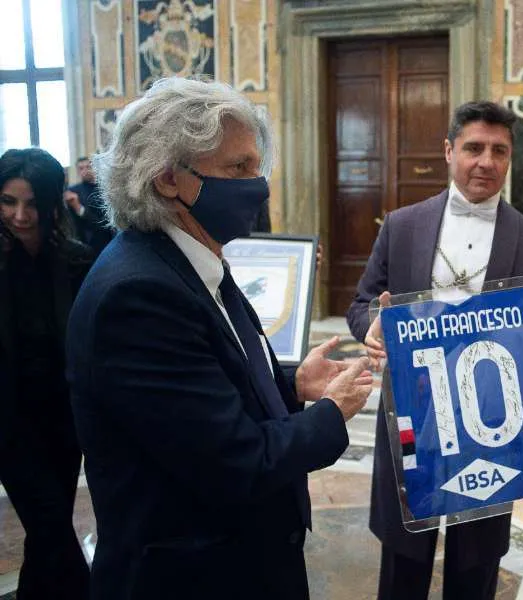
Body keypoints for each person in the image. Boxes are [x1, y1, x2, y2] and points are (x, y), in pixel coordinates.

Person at [66, 77, 373, 600]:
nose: (259, 185)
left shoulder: (188, 259)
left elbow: (205, 383)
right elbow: (238, 462)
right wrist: (331, 413)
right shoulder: (138, 297)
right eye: (237, 169)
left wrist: (289, 384)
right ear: (167, 179)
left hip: (239, 557)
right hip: (193, 576)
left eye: (257, 165)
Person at [347, 101, 523, 600]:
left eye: (499, 151)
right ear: (450, 150)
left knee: (475, 567)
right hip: (414, 416)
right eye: (473, 148)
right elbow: (364, 301)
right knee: (403, 564)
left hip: (492, 426)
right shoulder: (402, 225)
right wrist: (372, 326)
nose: (486, 162)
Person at [0, 148, 93, 600]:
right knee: (51, 523)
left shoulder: (74, 262)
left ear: (53, 203)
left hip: (63, 421)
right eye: (8, 202)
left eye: (32, 203)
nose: (20, 215)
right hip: (9, 424)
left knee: (46, 532)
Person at [63, 156, 115, 255]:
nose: (85, 170)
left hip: (104, 242)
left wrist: (79, 208)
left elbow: (103, 221)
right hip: (82, 244)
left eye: (88, 167)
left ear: (94, 168)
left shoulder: (103, 190)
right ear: (78, 172)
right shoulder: (72, 191)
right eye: (81, 168)